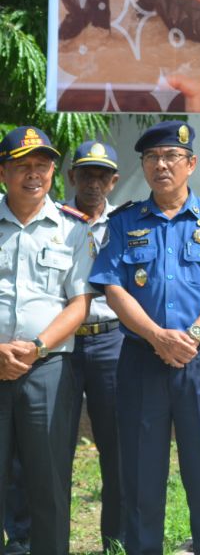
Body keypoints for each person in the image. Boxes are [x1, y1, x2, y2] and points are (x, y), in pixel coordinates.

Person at [89, 121, 200, 555]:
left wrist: (191, 336)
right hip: (142, 359)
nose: (162, 165)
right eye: (152, 158)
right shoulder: (124, 222)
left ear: (191, 164)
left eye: (171, 157)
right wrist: (157, 335)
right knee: (141, 475)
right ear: (143, 165)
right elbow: (113, 286)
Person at [0, 127, 95, 555]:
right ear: (3, 172)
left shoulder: (72, 231)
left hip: (49, 369)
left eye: (42, 166)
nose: (33, 174)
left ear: (54, 172)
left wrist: (36, 345)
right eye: (22, 166)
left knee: (49, 480)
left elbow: (79, 303)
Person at [66, 141, 124, 552]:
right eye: (85, 173)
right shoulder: (54, 220)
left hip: (111, 343)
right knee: (41, 445)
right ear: (71, 177)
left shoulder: (125, 224)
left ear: (113, 181)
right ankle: (28, 537)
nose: (93, 182)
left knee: (116, 446)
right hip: (60, 347)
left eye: (102, 174)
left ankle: (116, 539)